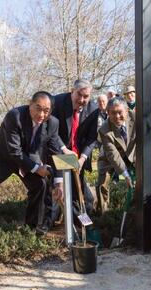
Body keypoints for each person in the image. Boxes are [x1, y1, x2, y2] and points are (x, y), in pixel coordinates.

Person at [0, 91, 63, 235]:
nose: (42, 114)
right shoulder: (15, 116)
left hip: (27, 160)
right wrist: (37, 168)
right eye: (38, 108)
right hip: (0, 157)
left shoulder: (53, 123)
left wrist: (59, 181)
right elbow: (14, 151)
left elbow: (56, 152)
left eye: (46, 110)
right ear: (30, 104)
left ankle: (30, 228)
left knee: (40, 185)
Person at [53, 79, 98, 216]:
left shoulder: (93, 109)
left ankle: (82, 221)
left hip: (78, 157)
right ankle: (52, 219)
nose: (82, 99)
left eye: (86, 96)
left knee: (79, 192)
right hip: (58, 151)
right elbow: (51, 132)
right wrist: (64, 150)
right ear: (72, 91)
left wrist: (82, 159)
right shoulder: (57, 103)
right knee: (59, 188)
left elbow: (92, 138)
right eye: (79, 94)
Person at [96, 96, 135, 215]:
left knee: (140, 182)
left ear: (127, 110)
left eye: (120, 112)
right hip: (109, 158)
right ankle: (104, 214)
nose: (117, 116)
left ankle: (136, 211)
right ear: (107, 113)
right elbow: (112, 154)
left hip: (132, 154)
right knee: (102, 184)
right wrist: (125, 174)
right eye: (113, 113)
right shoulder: (104, 129)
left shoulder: (136, 118)